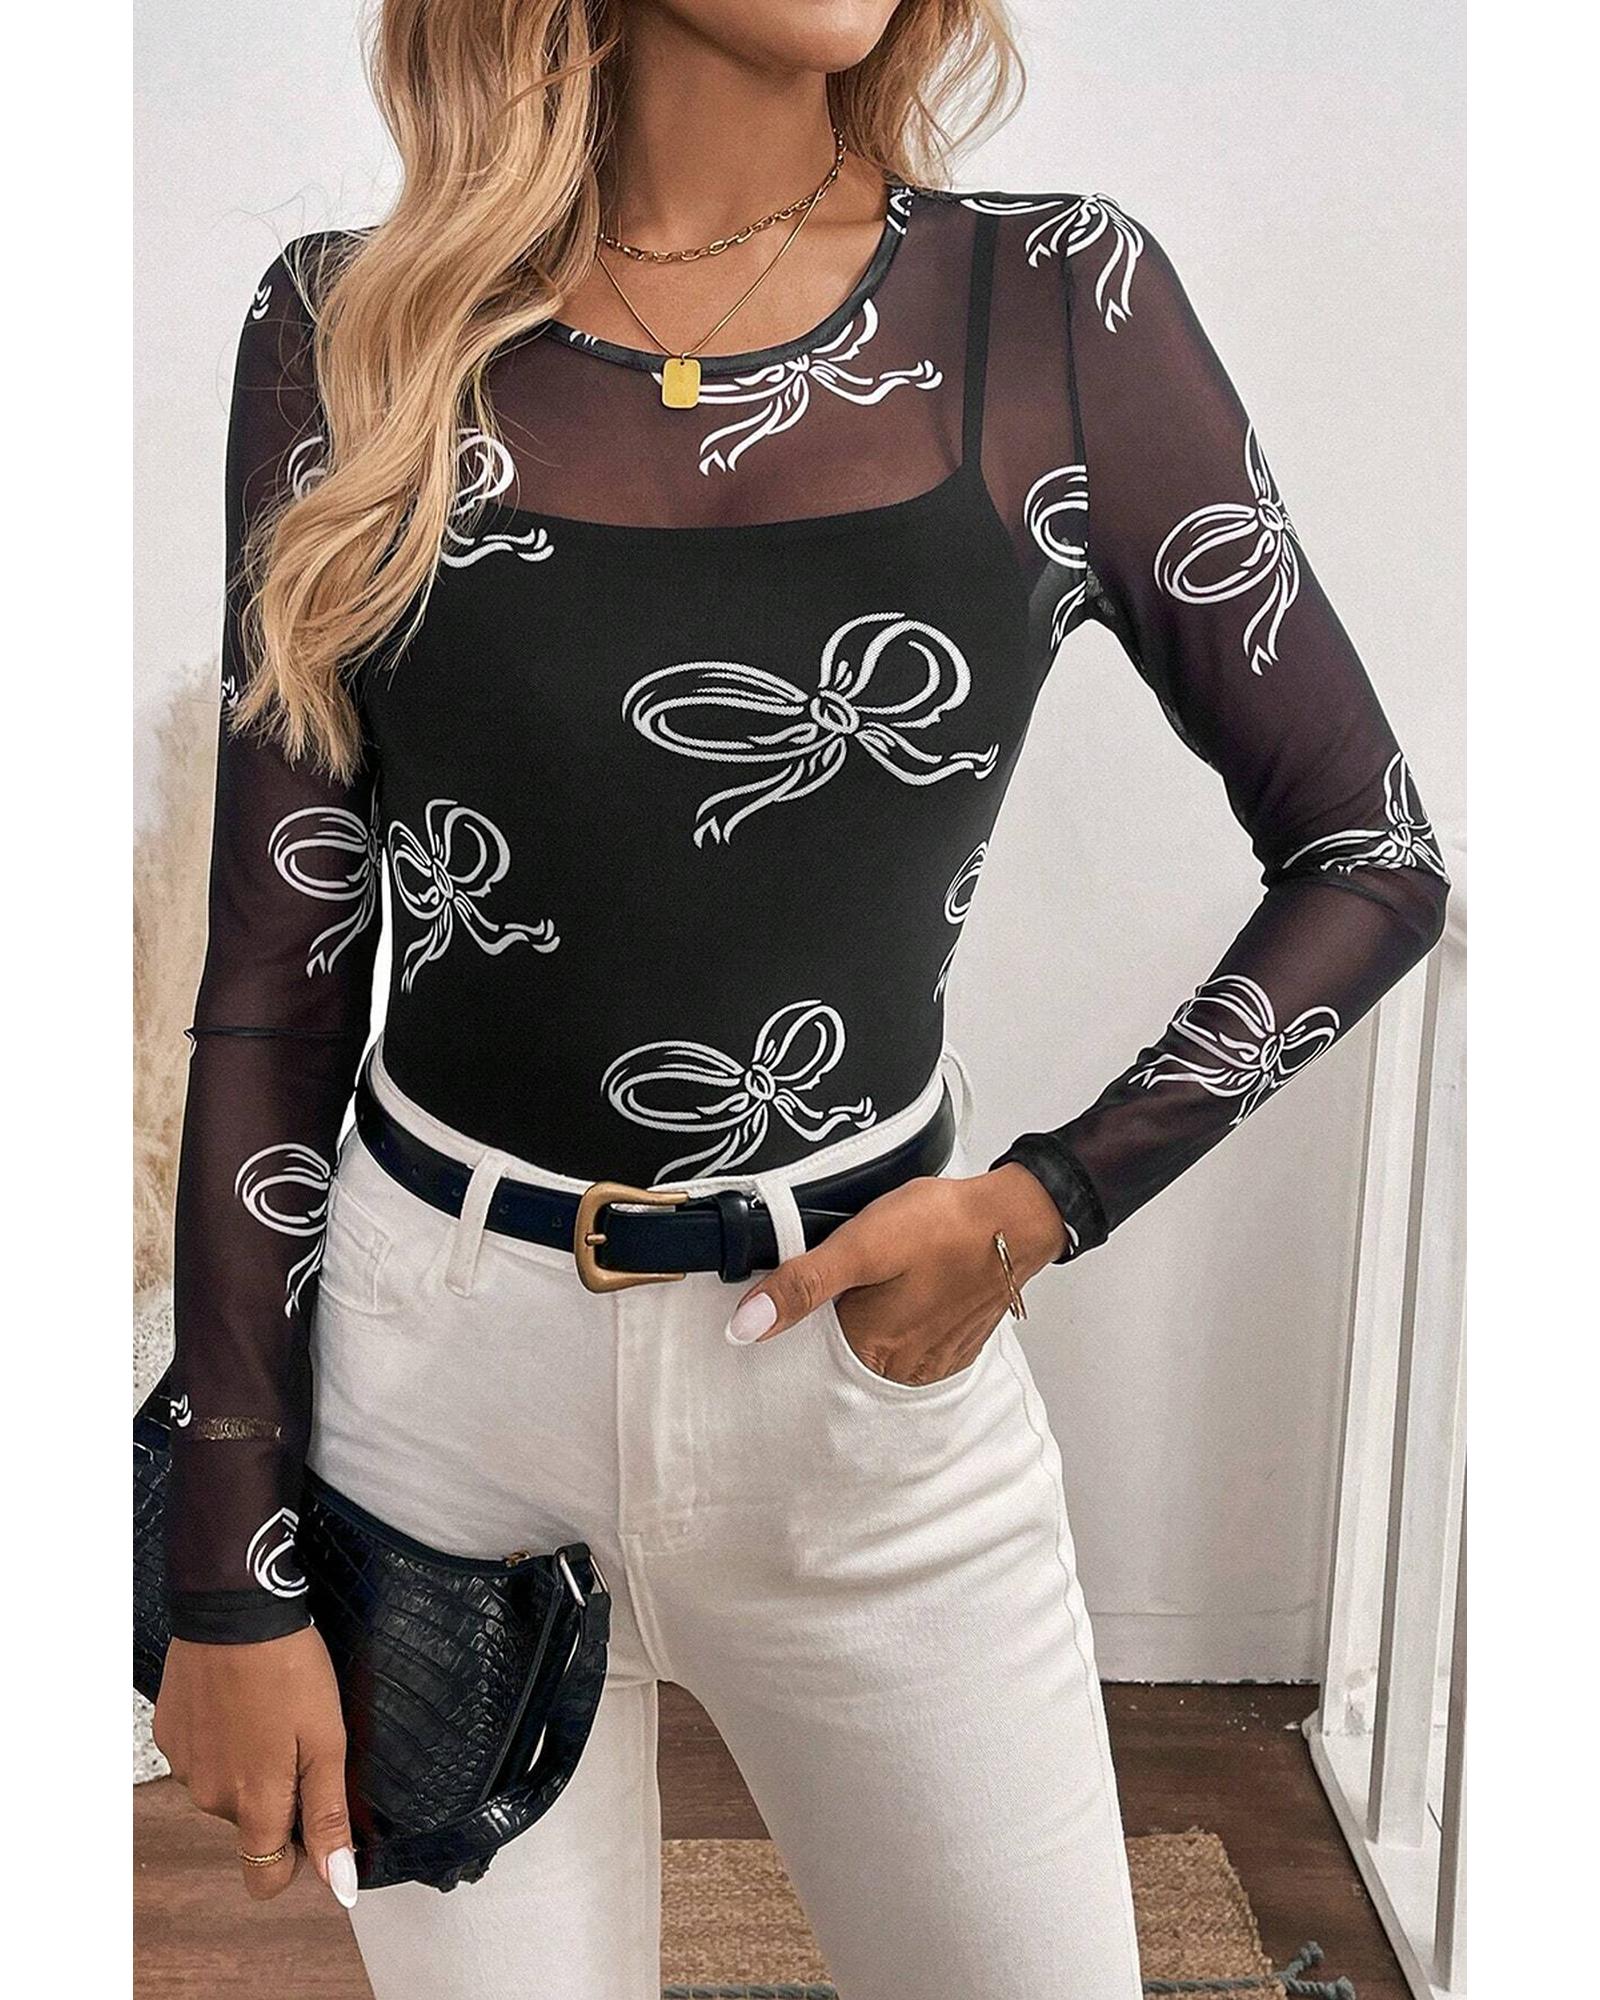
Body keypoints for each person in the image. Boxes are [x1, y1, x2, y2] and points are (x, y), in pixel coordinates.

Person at [149, 2, 1450, 1994]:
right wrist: (226, 1572)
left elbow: (1370, 853)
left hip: (858, 1369)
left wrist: (1042, 1203)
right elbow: (275, 978)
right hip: (429, 1396)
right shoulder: (349, 330)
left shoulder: (1056, 303)